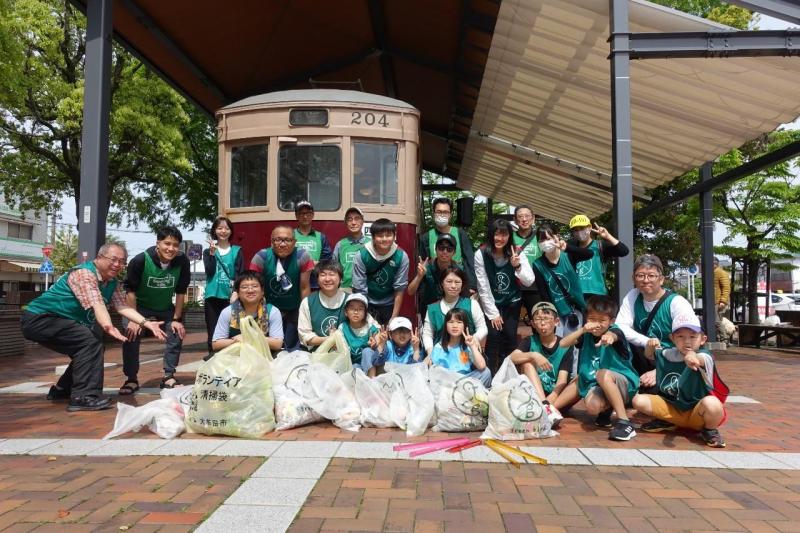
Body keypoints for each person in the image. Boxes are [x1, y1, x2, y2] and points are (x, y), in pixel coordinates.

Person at [21, 243, 166, 411]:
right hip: (40, 318)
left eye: (122, 261)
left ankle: (62, 390)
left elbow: (122, 307)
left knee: (90, 347)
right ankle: (83, 396)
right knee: (90, 342)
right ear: (99, 257)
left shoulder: (112, 282)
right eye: (113, 259)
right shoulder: (84, 274)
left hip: (58, 321)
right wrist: (108, 326)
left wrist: (146, 323)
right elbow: (96, 302)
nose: (117, 265)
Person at [632, 313, 728, 448]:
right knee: (638, 400)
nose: (687, 341)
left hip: (696, 412)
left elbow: (697, 358)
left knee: (712, 404)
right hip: (672, 408)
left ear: (702, 339)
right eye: (680, 336)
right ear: (672, 338)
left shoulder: (705, 356)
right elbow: (650, 355)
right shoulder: (668, 353)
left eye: (693, 336)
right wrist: (650, 345)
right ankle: (668, 422)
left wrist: (691, 357)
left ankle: (709, 430)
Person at [121, 226, 191, 392]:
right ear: (158, 243)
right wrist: (133, 319)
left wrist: (176, 320)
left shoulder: (182, 261)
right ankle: (131, 378)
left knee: (176, 332)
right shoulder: (140, 260)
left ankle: (168, 376)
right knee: (131, 334)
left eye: (175, 245)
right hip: (139, 308)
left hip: (165, 307)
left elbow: (181, 292)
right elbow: (130, 291)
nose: (171, 248)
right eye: (167, 243)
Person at [561, 295, 640, 441]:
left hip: (623, 383)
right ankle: (606, 411)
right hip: (598, 384)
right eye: (592, 319)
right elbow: (563, 344)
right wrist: (582, 331)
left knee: (602, 374)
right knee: (592, 406)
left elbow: (614, 335)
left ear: (612, 321)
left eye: (602, 320)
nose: (596, 324)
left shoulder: (617, 331)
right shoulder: (587, 335)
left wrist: (609, 337)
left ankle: (625, 423)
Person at [615, 254, 696, 391]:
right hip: (645, 355)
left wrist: (660, 370)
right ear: (634, 279)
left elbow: (691, 340)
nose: (646, 280)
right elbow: (621, 326)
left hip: (671, 359)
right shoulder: (633, 296)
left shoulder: (676, 303)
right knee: (614, 335)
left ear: (662, 279)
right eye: (640, 275)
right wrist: (647, 342)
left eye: (651, 275)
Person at [475, 219, 535, 373]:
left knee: (509, 338)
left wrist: (518, 266)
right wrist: (493, 313)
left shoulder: (517, 252)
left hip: (512, 301)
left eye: (504, 235)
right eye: (496, 234)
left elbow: (529, 280)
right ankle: (488, 375)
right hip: (492, 301)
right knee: (493, 336)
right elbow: (483, 285)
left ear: (509, 236)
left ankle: (506, 375)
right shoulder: (481, 254)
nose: (500, 239)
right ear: (491, 235)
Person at [507, 302, 575, 427]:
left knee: (579, 380)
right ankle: (545, 409)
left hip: (557, 397)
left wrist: (550, 401)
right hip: (535, 396)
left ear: (556, 321)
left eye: (547, 319)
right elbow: (511, 358)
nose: (542, 323)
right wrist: (533, 355)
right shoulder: (529, 341)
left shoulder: (566, 345)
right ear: (533, 323)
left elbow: (562, 380)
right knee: (527, 363)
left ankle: (546, 409)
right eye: (538, 319)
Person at [249, 225, 314, 351]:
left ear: (294, 242)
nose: (283, 244)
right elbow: (255, 286)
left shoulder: (302, 256)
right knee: (267, 347)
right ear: (271, 241)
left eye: (287, 240)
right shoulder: (261, 257)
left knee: (293, 348)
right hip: (268, 309)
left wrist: (304, 312)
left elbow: (305, 286)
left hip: (293, 308)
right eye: (278, 240)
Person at [531, 224, 593, 340]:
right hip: (557, 312)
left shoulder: (568, 255)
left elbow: (589, 254)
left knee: (574, 343)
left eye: (548, 238)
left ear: (556, 237)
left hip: (575, 308)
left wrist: (568, 247)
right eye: (541, 240)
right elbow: (543, 293)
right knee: (560, 344)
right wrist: (550, 314)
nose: (545, 242)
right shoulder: (538, 264)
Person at [352, 218, 409, 325]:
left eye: (388, 235)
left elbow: (400, 289)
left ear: (394, 236)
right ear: (373, 237)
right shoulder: (361, 255)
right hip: (367, 302)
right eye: (379, 235)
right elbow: (360, 288)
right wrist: (365, 315)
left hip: (389, 303)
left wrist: (394, 317)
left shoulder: (402, 256)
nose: (384, 239)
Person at [203, 216, 244, 359]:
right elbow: (209, 272)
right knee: (212, 327)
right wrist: (212, 253)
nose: (223, 231)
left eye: (226, 228)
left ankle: (231, 355)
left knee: (233, 327)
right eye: (220, 228)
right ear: (214, 230)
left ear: (231, 231)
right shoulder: (208, 251)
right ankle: (212, 356)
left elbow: (239, 273)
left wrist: (235, 292)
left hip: (230, 296)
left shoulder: (237, 250)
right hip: (213, 295)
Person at [422, 266, 487, 355]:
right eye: (449, 281)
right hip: (440, 355)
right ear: (442, 283)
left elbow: (483, 328)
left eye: (457, 282)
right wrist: (430, 354)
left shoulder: (472, 304)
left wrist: (475, 338)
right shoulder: (432, 309)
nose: (453, 286)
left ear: (462, 284)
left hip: (467, 353)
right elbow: (427, 334)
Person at [212, 272, 284, 353]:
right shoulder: (228, 312)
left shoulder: (272, 311)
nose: (250, 290)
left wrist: (248, 338)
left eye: (255, 286)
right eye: (244, 287)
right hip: (236, 356)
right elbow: (216, 344)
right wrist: (235, 342)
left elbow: (277, 344)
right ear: (238, 293)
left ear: (262, 291)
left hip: (264, 356)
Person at [419, 198, 477, 292]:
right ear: (433, 213)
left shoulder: (460, 233)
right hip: (434, 287)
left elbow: (469, 260)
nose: (442, 215)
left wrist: (471, 286)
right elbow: (422, 264)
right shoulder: (426, 237)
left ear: (450, 215)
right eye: (439, 212)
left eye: (445, 212)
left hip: (456, 285)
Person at [425, 307, 492, 388]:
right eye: (451, 322)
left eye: (459, 322)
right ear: (446, 325)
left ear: (465, 326)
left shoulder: (468, 346)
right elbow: (432, 370)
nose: (455, 326)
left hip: (464, 382)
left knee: (486, 373)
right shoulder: (439, 346)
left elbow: (481, 366)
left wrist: (472, 346)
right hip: (445, 384)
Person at [568, 214, 629, 299]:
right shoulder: (571, 248)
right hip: (577, 295)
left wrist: (608, 236)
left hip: (598, 294)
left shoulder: (600, 246)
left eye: (582, 228)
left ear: (589, 227)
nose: (579, 232)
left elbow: (624, 251)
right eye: (575, 230)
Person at [298, 261, 350, 350]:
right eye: (323, 275)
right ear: (317, 279)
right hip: (317, 353)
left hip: (347, 353)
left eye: (332, 274)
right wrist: (330, 340)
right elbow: (305, 335)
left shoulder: (351, 300)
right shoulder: (308, 302)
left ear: (341, 278)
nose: (327, 279)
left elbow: (365, 326)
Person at [408, 233, 459, 308]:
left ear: (454, 252)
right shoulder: (425, 268)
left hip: (452, 312)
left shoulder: (458, 270)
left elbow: (464, 296)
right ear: (436, 249)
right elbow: (410, 291)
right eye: (441, 248)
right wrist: (419, 276)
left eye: (449, 249)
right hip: (428, 311)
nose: (445, 252)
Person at [338, 293, 382, 376]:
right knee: (355, 369)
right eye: (352, 308)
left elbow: (378, 337)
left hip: (370, 363)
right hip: (354, 363)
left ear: (365, 312)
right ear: (346, 312)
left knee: (367, 351)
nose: (356, 312)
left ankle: (372, 380)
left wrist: (374, 343)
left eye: (360, 309)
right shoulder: (342, 328)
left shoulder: (370, 326)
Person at [512, 205, 542, 321]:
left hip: (535, 286)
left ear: (533, 218)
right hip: (515, 286)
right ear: (515, 220)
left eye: (527, 216)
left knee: (538, 320)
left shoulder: (540, 236)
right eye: (520, 216)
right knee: (511, 323)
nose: (524, 219)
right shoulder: (510, 238)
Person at [293, 201, 332, 290]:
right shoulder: (290, 235)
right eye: (302, 213)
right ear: (296, 216)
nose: (305, 216)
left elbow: (327, 261)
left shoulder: (321, 237)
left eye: (308, 213)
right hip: (294, 283)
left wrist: (312, 264)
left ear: (313, 215)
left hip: (316, 284)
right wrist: (311, 263)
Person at [332, 207, 370, 291]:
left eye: (357, 219)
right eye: (350, 219)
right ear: (345, 223)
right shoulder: (340, 245)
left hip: (366, 289)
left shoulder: (371, 244)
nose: (353, 223)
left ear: (362, 221)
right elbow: (334, 268)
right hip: (345, 289)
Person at [713, 257, 731, 335]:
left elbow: (726, 288)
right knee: (716, 321)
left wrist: (723, 301)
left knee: (717, 321)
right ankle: (720, 338)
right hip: (714, 301)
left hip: (718, 301)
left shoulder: (721, 272)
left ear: (714, 264)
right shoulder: (714, 272)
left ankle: (725, 339)